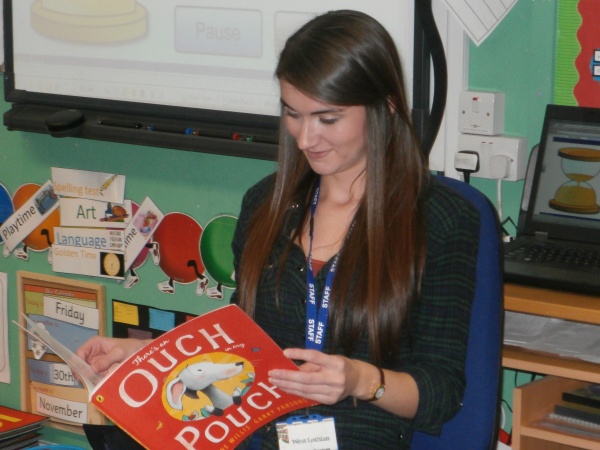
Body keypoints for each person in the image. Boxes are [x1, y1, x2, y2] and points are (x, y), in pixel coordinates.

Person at [77, 10, 480, 449]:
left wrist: (361, 380)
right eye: (293, 114)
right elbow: (240, 343)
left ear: (385, 108)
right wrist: (147, 356)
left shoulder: (439, 220)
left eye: (327, 119)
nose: (305, 139)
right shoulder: (266, 205)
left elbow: (443, 394)